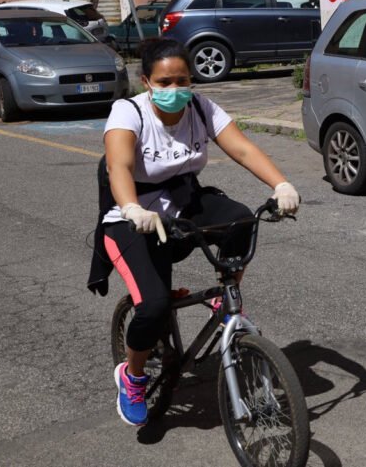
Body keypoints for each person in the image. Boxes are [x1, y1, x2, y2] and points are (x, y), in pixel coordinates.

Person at [92, 38, 300, 427]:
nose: (175, 90)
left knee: (240, 219)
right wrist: (132, 207)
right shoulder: (128, 112)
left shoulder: (201, 108)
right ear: (146, 82)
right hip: (130, 218)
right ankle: (133, 376)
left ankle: (226, 297)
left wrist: (281, 185)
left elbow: (243, 150)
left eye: (182, 80)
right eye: (165, 82)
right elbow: (118, 166)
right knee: (152, 306)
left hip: (183, 209)